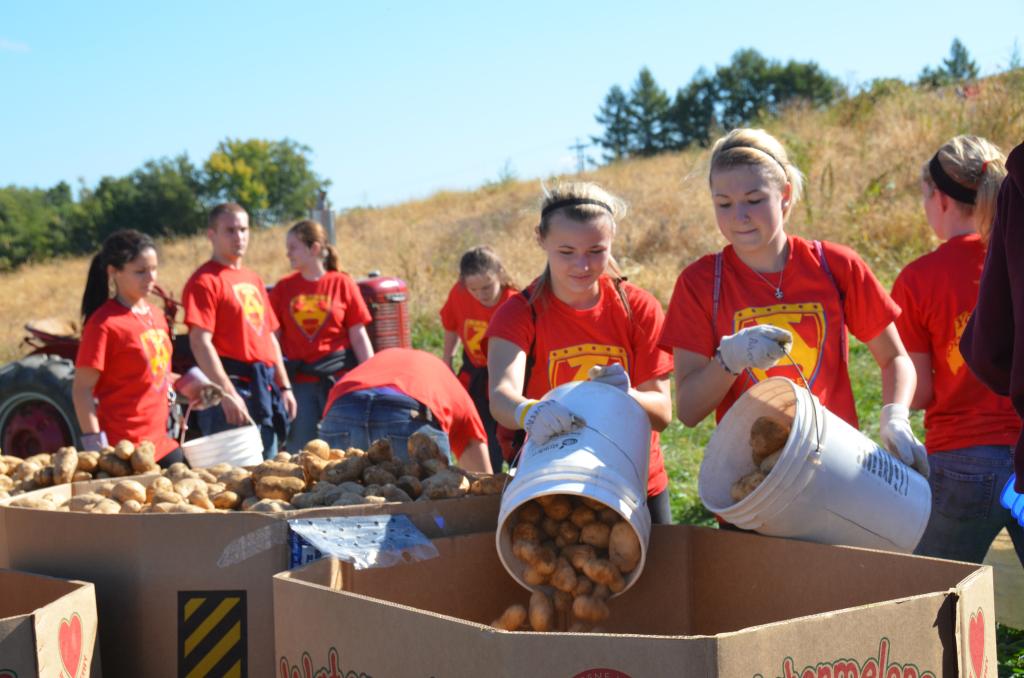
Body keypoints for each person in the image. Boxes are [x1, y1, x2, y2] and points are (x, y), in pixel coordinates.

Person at [660, 128, 929, 476]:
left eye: (754, 200)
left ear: (785, 195)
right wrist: (729, 360)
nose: (738, 216)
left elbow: (894, 357)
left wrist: (894, 416)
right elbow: (690, 410)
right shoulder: (699, 283)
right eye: (723, 203)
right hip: (752, 475)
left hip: (834, 466)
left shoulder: (836, 265)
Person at [486, 182, 675, 524]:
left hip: (634, 484)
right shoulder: (519, 312)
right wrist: (529, 411)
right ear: (540, 239)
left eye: (596, 250)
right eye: (567, 251)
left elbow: (662, 411)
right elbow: (500, 397)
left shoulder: (639, 308)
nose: (582, 265)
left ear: (612, 241)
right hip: (549, 487)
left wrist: (626, 395)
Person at [182, 203, 297, 459]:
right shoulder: (204, 281)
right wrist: (226, 394)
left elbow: (268, 336)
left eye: (244, 229)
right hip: (231, 392)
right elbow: (200, 343)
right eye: (230, 230)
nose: (239, 237)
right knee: (235, 484)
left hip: (263, 389)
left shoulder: (252, 278)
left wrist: (285, 387)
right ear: (211, 234)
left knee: (271, 476)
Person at [958, 139, 1024, 562]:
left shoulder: (919, 275)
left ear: (938, 199)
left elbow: (990, 351)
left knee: (941, 580)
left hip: (958, 455)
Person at [73, 230, 181, 465]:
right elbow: (81, 389)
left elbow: (154, 373)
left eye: (153, 269)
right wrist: (96, 449)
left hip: (162, 443)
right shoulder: (103, 324)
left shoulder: (157, 316)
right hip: (124, 451)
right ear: (114, 272)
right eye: (140, 271)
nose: (150, 278)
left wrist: (191, 383)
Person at [269, 219, 374, 451]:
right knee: (301, 449)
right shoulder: (283, 288)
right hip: (300, 382)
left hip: (338, 378)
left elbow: (358, 335)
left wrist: (371, 376)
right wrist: (279, 383)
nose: (288, 254)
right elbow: (271, 339)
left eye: (293, 247)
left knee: (346, 447)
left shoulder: (342, 283)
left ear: (313, 248)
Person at [319, 348, 492, 473]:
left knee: (340, 502)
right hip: (405, 410)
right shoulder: (448, 382)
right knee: (429, 512)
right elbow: (473, 447)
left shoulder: (381, 360)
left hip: (342, 405)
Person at [440, 246, 518, 472]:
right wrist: (447, 360)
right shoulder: (459, 293)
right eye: (473, 289)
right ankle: (487, 480)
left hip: (508, 374)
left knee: (511, 433)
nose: (481, 294)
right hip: (475, 371)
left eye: (487, 286)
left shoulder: (513, 301)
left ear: (500, 274)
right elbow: (451, 326)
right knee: (481, 433)